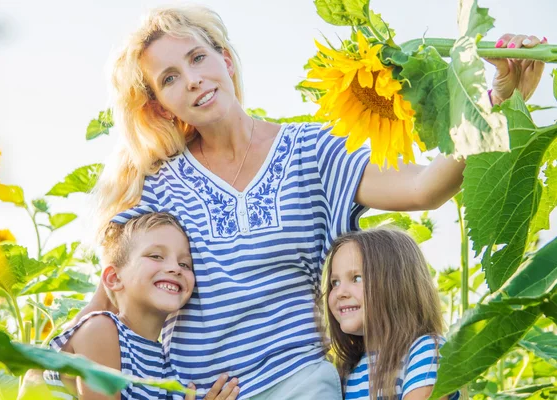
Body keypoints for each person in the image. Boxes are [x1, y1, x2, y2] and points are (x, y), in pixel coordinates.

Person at [77, 4, 545, 399]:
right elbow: (108, 303)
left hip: (299, 383)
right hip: (202, 392)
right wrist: (45, 365)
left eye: (199, 58)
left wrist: (497, 100)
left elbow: (423, 188)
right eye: (171, 78)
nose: (194, 80)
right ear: (161, 106)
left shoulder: (312, 150)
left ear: (227, 61)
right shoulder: (160, 184)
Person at [43, 212, 239, 400]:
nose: (175, 268)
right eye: (155, 256)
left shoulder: (164, 362)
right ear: (114, 278)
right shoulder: (100, 330)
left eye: (185, 264)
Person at [324, 228, 460, 399]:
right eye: (335, 282)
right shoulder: (346, 371)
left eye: (356, 278)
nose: (340, 292)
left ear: (396, 286)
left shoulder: (425, 351)